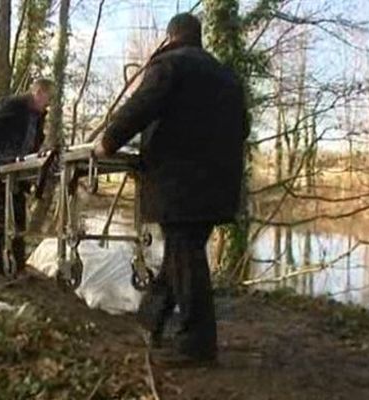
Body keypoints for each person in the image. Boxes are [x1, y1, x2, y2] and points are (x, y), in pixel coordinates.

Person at [94, 13, 248, 366]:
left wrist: (109, 141)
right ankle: (151, 319)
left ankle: (197, 345)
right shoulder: (228, 76)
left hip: (179, 182)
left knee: (185, 254)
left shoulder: (170, 65)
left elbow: (142, 106)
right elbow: (244, 127)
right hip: (219, 184)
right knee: (183, 252)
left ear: (171, 37)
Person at [0, 79, 54, 279]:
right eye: (48, 98)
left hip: (17, 171)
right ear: (38, 92)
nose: (49, 103)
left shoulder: (39, 117)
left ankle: (19, 268)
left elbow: (33, 141)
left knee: (18, 219)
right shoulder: (13, 106)